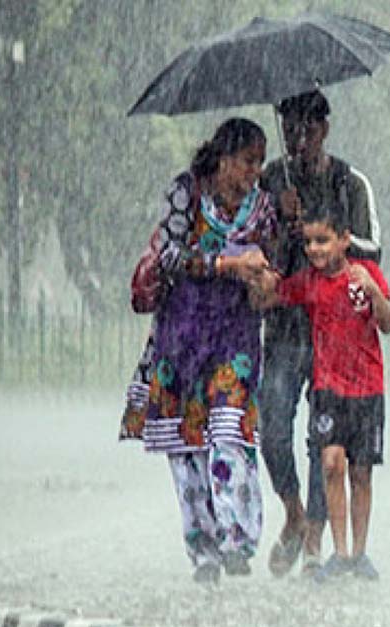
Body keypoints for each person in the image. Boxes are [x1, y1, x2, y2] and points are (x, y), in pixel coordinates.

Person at [127, 118, 276, 584]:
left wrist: (265, 277)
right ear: (224, 158)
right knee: (188, 444)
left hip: (235, 335)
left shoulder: (264, 206)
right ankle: (203, 549)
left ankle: (237, 539)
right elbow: (170, 256)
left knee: (231, 430)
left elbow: (273, 262)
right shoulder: (185, 192)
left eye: (260, 162)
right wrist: (226, 264)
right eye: (248, 161)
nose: (255, 171)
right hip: (183, 336)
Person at [260, 90, 382, 579]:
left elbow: (373, 248)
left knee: (323, 439)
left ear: (324, 130)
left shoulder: (349, 182)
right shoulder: (270, 181)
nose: (299, 139)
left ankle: (315, 534)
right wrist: (278, 221)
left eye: (308, 129)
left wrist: (327, 246)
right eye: (290, 129)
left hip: (335, 334)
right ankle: (293, 511)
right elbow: (256, 250)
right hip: (286, 327)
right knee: (273, 425)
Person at [253, 209, 390, 583]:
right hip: (328, 387)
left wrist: (373, 291)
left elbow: (388, 323)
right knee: (331, 462)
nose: (314, 249)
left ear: (344, 240)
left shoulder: (364, 274)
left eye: (322, 241)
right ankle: (340, 552)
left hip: (367, 388)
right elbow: (275, 296)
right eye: (309, 242)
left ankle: (359, 553)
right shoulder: (310, 283)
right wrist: (259, 278)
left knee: (361, 472)